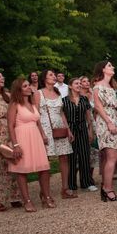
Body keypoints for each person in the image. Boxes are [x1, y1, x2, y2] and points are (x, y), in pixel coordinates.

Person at [7, 78, 52, 213]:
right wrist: (15, 144)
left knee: (44, 168)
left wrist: (43, 135)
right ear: (19, 89)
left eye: (28, 85)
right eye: (25, 86)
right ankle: (27, 200)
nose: (29, 88)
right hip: (22, 137)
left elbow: (37, 121)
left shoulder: (32, 103)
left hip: (36, 137)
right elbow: (10, 125)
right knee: (22, 170)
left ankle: (46, 196)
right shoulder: (15, 104)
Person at [34, 69, 74, 199]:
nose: (54, 76)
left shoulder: (57, 92)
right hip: (46, 128)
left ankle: (65, 188)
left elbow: (62, 113)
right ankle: (44, 191)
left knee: (64, 157)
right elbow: (36, 115)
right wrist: (41, 133)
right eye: (51, 75)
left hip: (60, 127)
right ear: (44, 78)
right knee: (46, 160)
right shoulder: (38, 93)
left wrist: (68, 129)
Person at [92, 61, 117, 201]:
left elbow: (112, 104)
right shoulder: (97, 86)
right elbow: (98, 107)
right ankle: (107, 189)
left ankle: (106, 187)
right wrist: (109, 123)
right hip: (106, 121)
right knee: (111, 156)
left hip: (115, 118)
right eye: (110, 65)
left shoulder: (111, 86)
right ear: (103, 69)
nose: (113, 67)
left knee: (110, 157)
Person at [0, 71, 20, 211]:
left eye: (3, 76)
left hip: (9, 134)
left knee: (12, 164)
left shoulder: (7, 96)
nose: (3, 78)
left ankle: (15, 197)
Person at [62, 78, 97, 193]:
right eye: (76, 83)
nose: (79, 85)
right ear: (70, 86)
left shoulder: (83, 99)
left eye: (79, 83)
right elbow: (63, 117)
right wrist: (68, 130)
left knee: (84, 155)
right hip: (70, 129)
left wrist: (90, 130)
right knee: (71, 157)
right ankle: (71, 184)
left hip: (83, 128)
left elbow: (88, 117)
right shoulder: (64, 100)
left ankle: (86, 182)